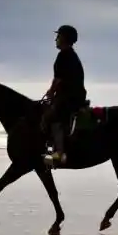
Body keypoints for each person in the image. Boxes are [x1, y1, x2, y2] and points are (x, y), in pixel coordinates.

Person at [41, 24, 87, 165]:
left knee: (52, 117)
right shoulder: (69, 55)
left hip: (70, 96)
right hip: (72, 94)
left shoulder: (64, 56)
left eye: (58, 36)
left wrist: (50, 92)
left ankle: (59, 153)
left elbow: (58, 79)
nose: (56, 39)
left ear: (65, 39)